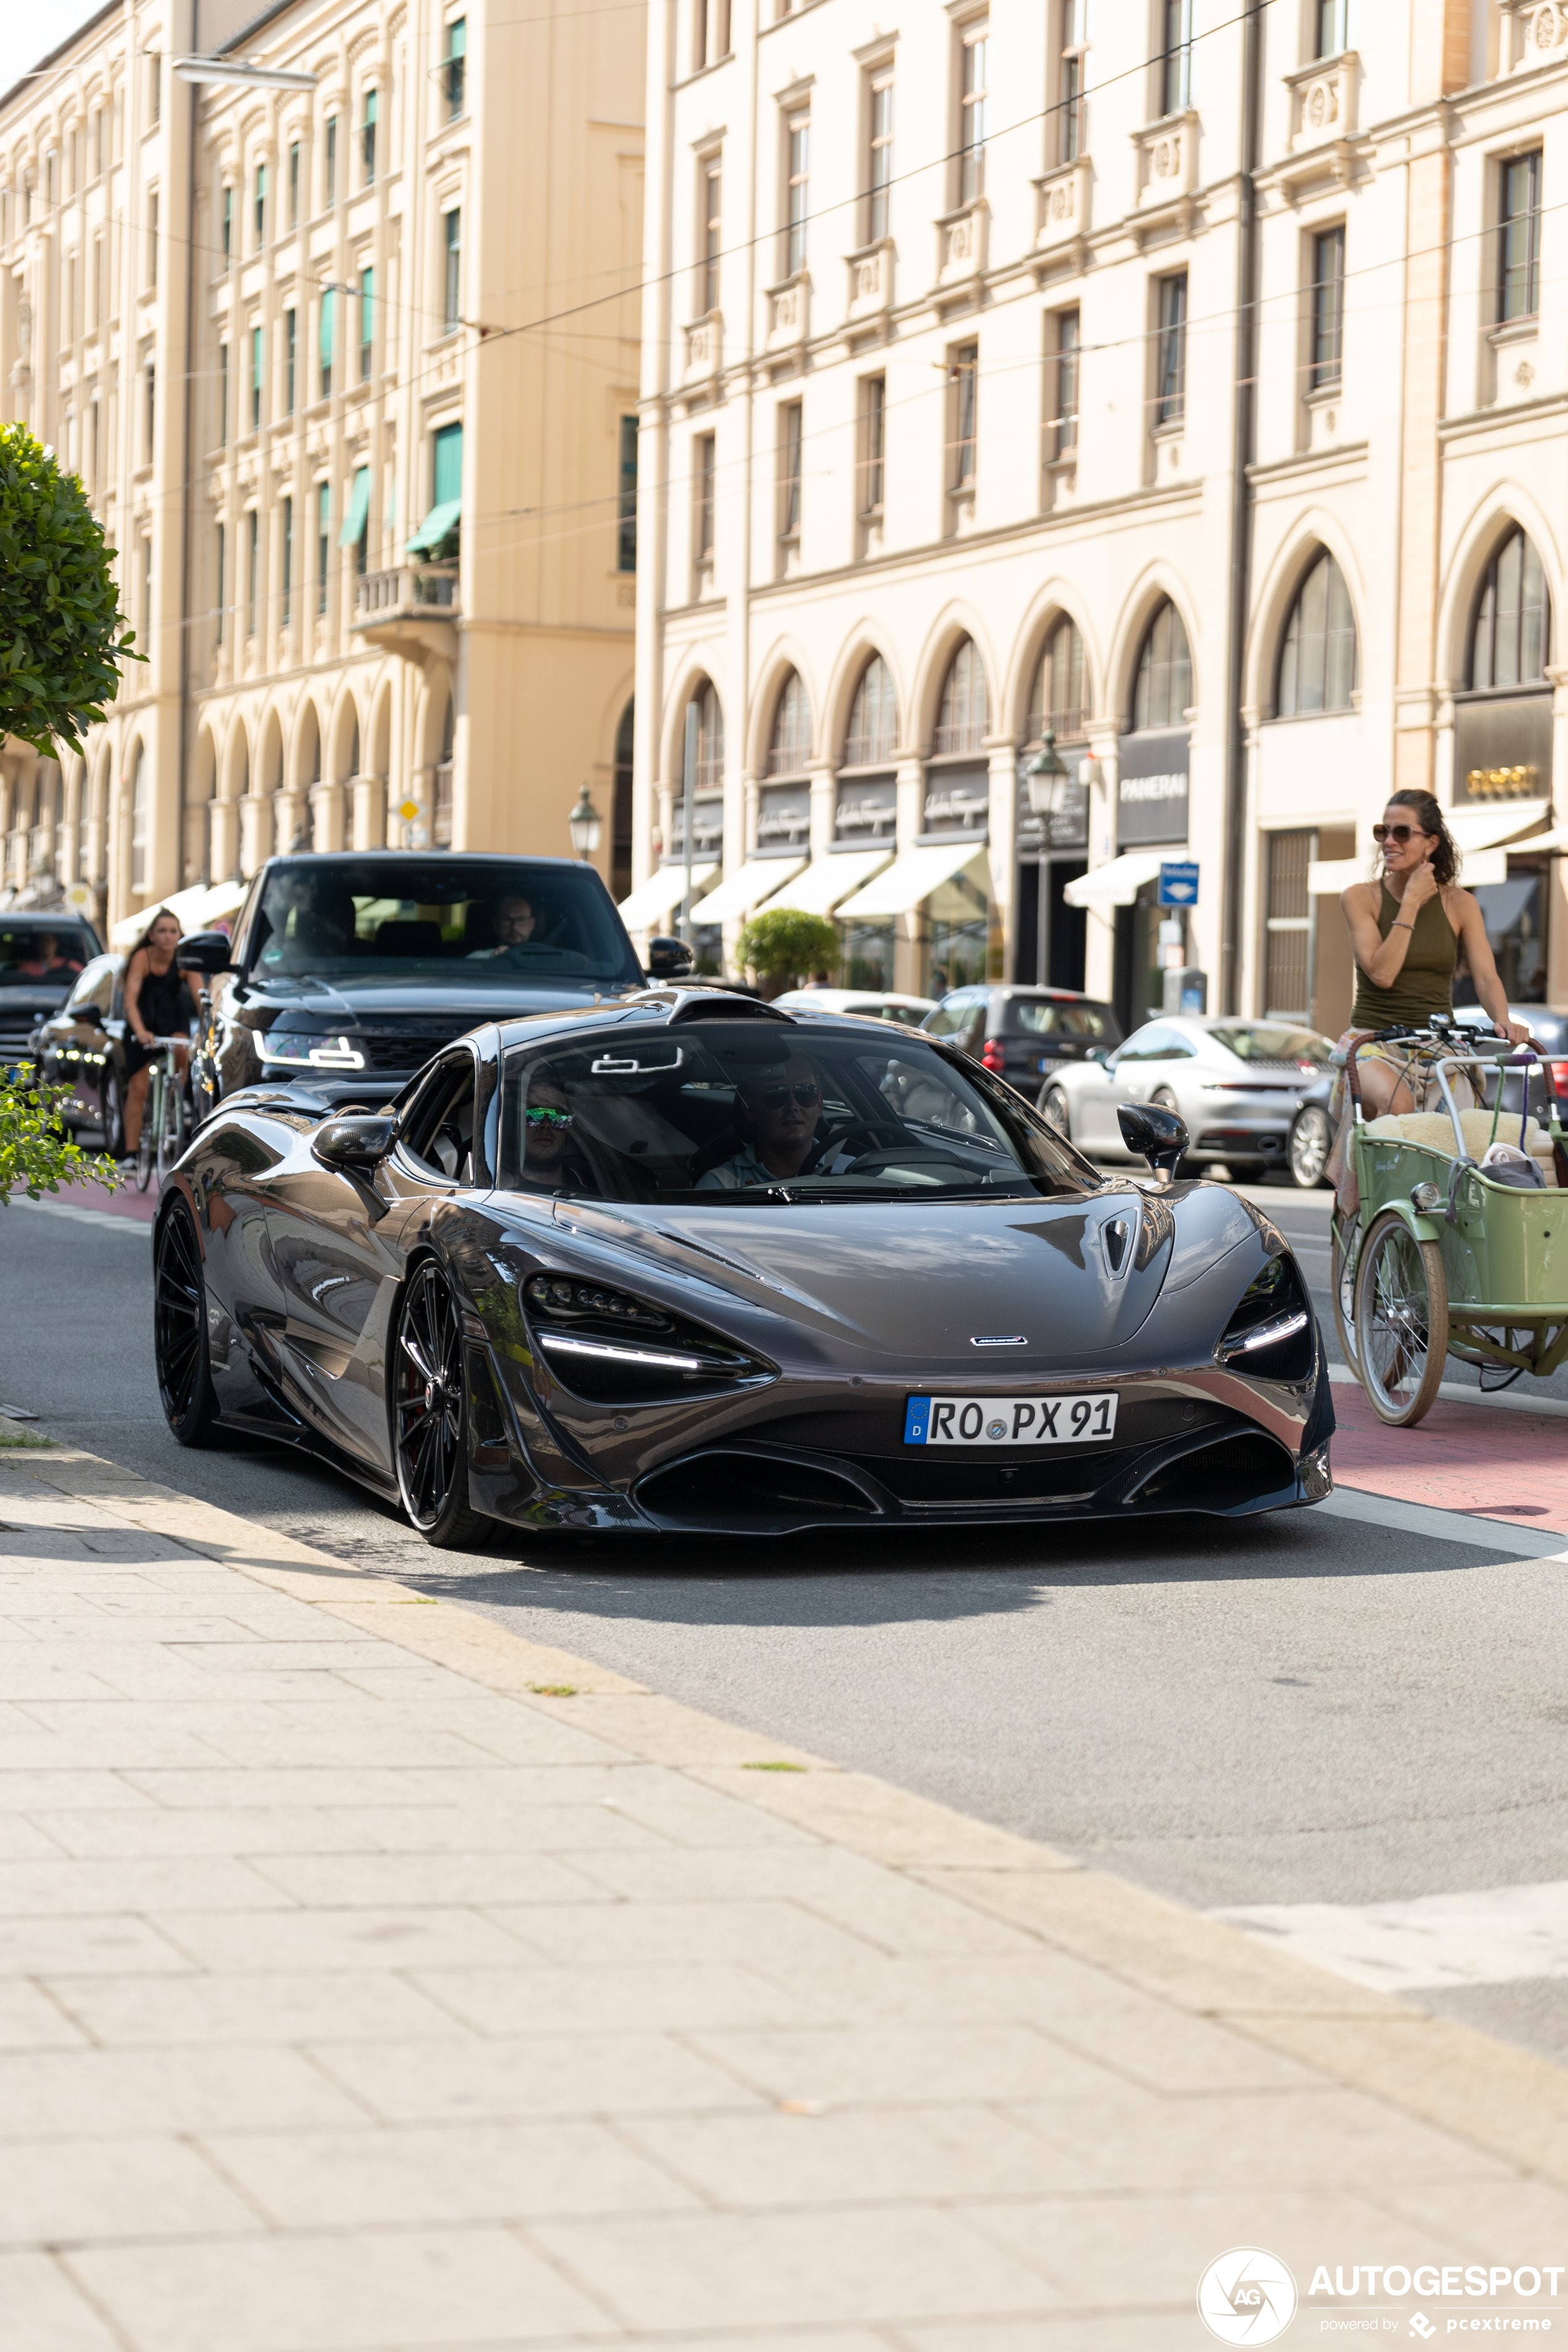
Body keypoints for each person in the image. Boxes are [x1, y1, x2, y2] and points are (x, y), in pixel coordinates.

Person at [1324, 788, 1533, 1203]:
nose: (1389, 841)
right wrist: (1412, 904)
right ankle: (1376, 1211)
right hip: (1373, 1042)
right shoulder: (1361, 897)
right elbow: (1382, 973)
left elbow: (1487, 977)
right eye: (1383, 831)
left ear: (1431, 843)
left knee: (1462, 1136)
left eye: (1402, 832)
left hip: (1437, 1044)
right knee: (1397, 1104)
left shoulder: (1460, 904)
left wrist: (1505, 1018)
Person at [121, 909, 202, 1160]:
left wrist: (207, 1030)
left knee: (182, 1048)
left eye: (173, 931)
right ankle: (132, 1154)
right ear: (152, 936)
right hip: (142, 1023)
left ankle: (177, 1098)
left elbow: (202, 999)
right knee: (138, 1088)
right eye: (162, 931)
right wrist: (141, 1031)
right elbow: (130, 1001)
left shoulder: (184, 959)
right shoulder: (141, 958)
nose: (168, 937)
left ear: (179, 935)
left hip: (171, 1020)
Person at [698, 1052, 826, 1188]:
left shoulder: (849, 1169)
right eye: (777, 1095)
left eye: (805, 1093)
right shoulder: (721, 1185)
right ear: (749, 1109)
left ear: (820, 1103)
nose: (793, 1106)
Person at [470, 895, 536, 958]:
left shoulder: (544, 960)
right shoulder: (477, 959)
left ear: (532, 925)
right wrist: (493, 963)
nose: (514, 927)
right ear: (495, 924)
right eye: (507, 920)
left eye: (521, 920)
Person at [15, 932, 83, 980]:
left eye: (48, 941)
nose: (45, 945)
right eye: (41, 942)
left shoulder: (71, 965)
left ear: (56, 944)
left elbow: (86, 980)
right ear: (36, 945)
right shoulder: (25, 968)